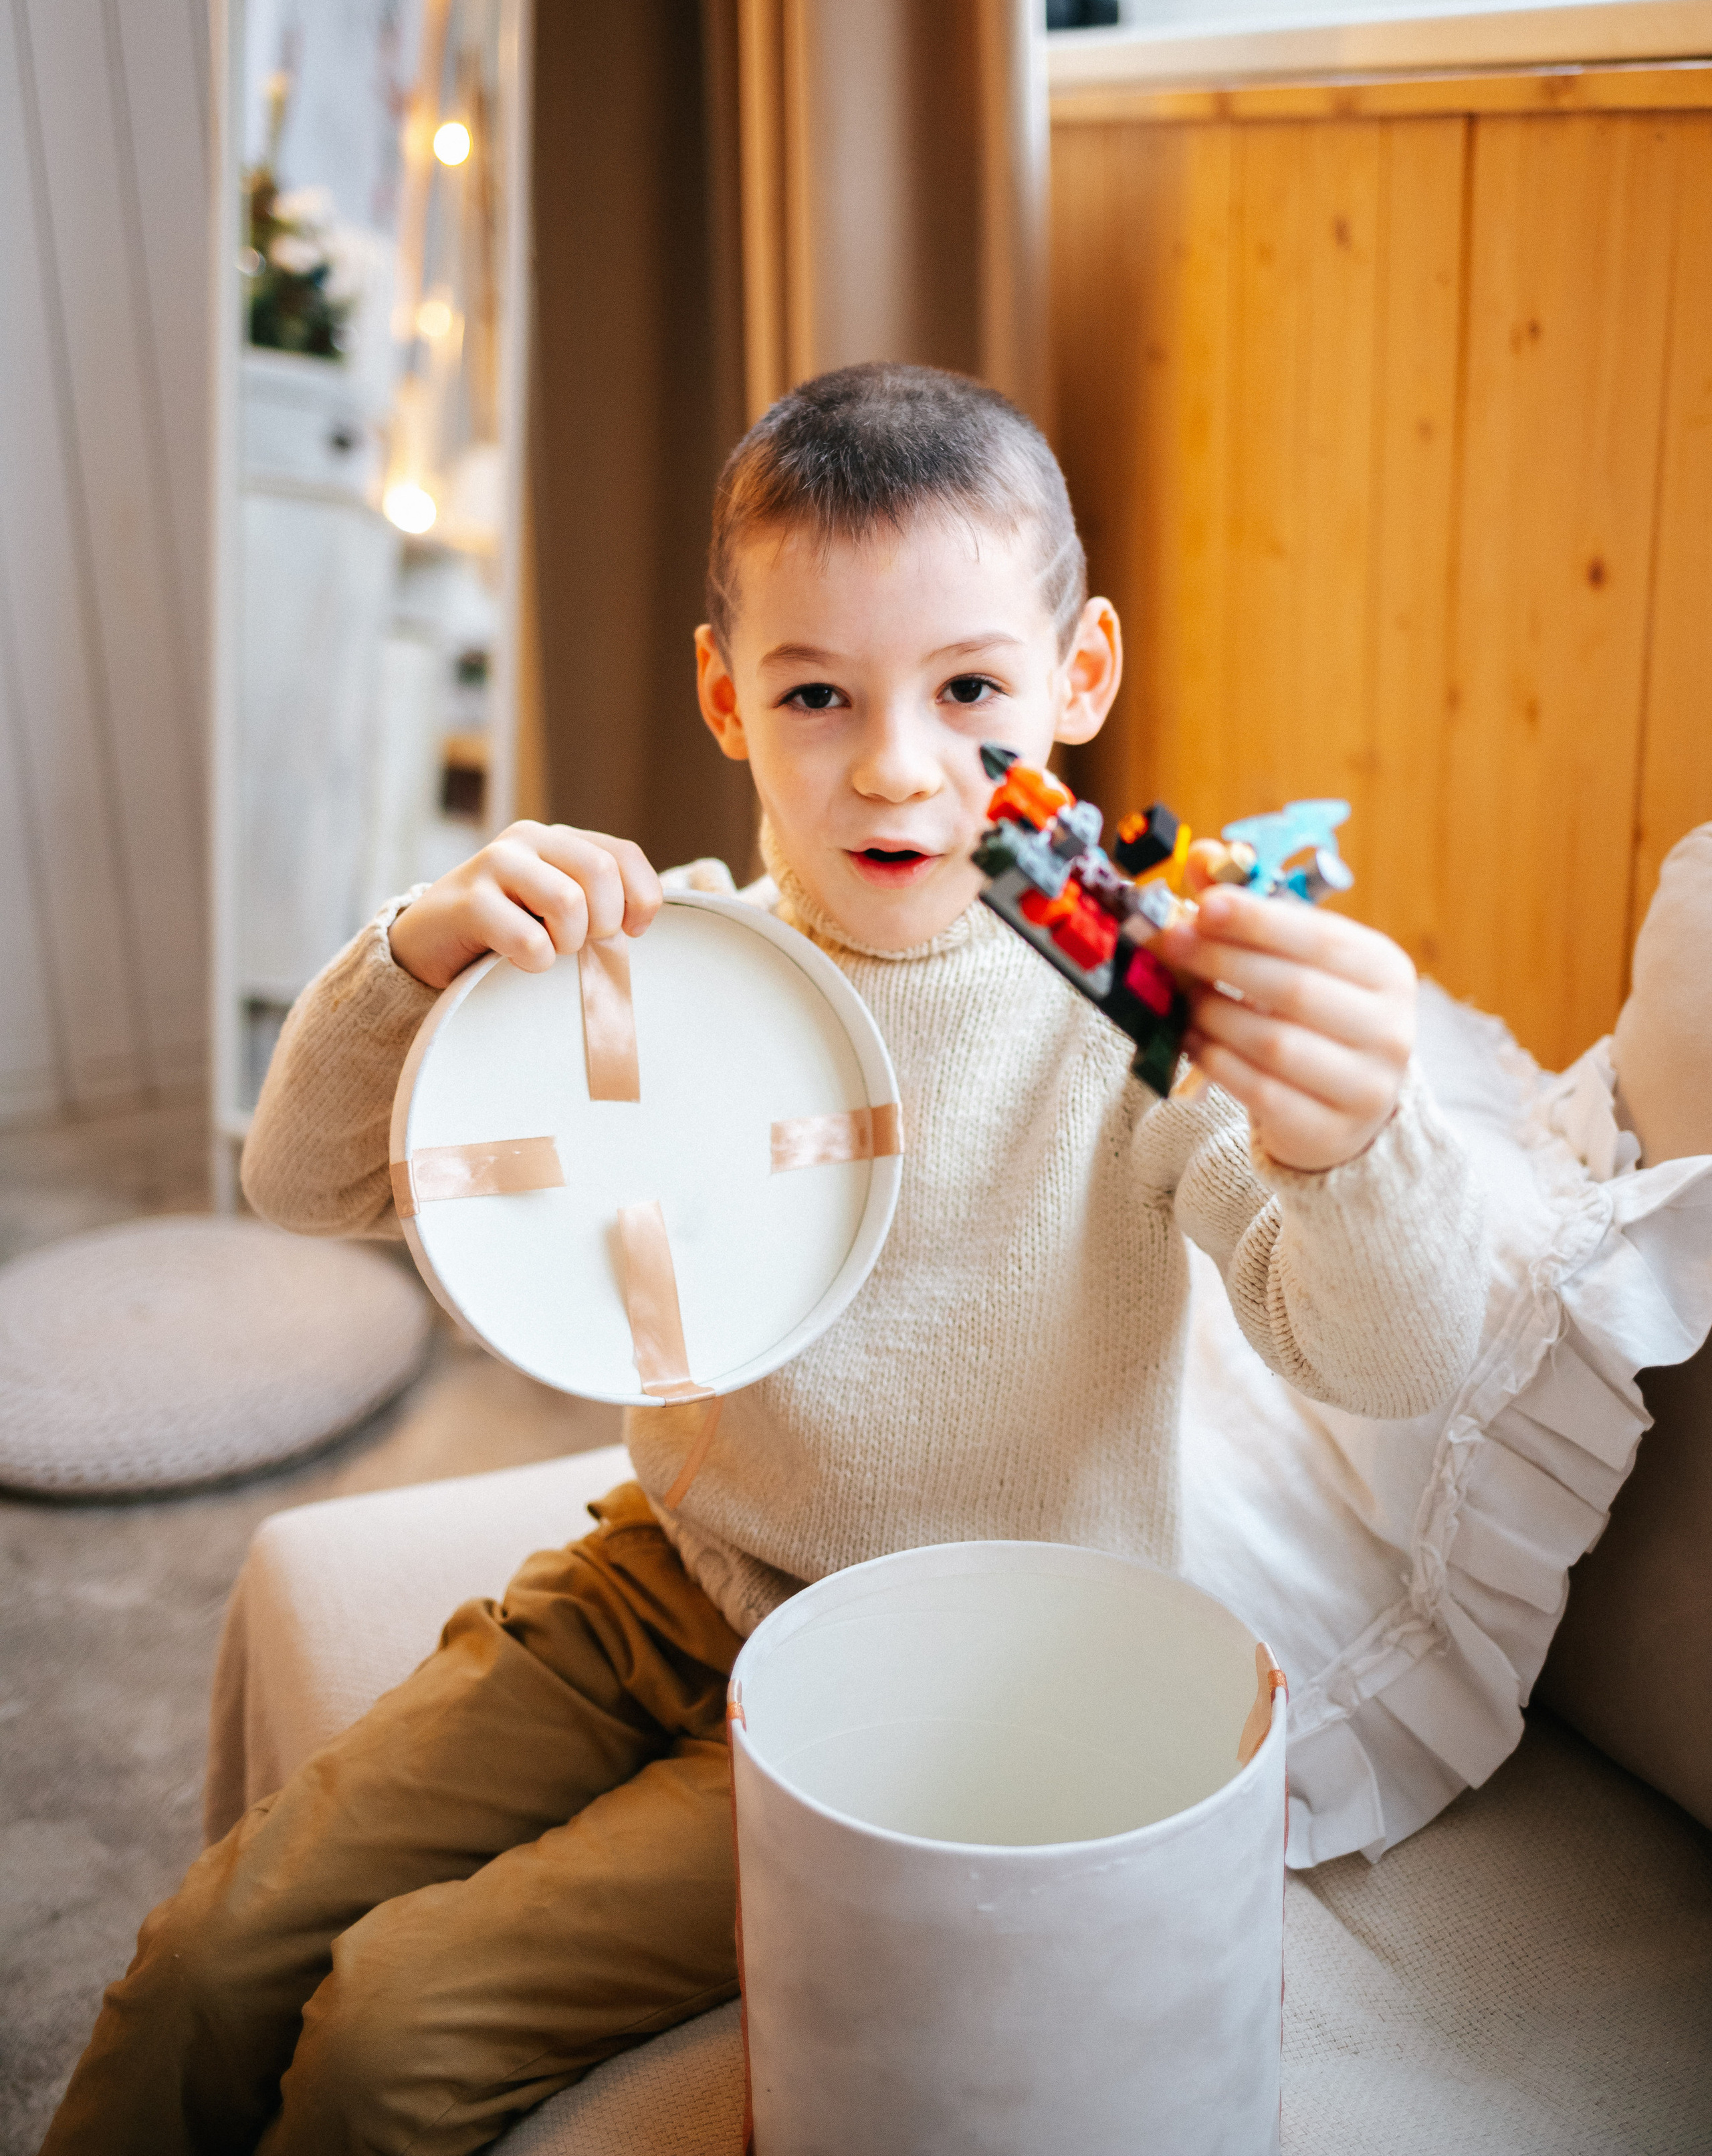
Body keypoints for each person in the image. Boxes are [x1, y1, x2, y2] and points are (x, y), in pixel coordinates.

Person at [45, 363, 1485, 2155]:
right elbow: (308, 1188)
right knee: (202, 1955)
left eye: (970, 689)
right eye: (819, 692)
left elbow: (1402, 1360)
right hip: (669, 1581)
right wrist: (410, 956)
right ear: (728, 695)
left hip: (922, 1681)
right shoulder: (679, 966)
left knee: (389, 2039)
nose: (894, 765)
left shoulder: (1135, 1021)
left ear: (1080, 678)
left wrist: (1358, 1149)